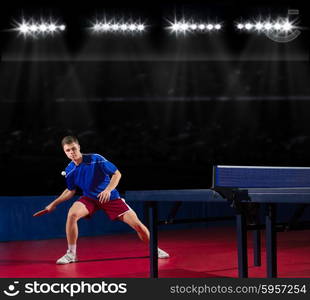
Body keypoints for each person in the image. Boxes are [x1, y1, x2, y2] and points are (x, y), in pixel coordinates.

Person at [45, 135, 169, 264]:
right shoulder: (69, 170)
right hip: (89, 199)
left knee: (138, 225)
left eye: (74, 149)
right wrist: (54, 204)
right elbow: (70, 191)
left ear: (79, 147)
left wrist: (108, 190)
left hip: (110, 198)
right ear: (64, 152)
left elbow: (117, 173)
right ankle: (71, 254)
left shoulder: (95, 159)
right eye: (68, 150)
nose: (72, 152)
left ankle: (154, 249)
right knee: (72, 214)